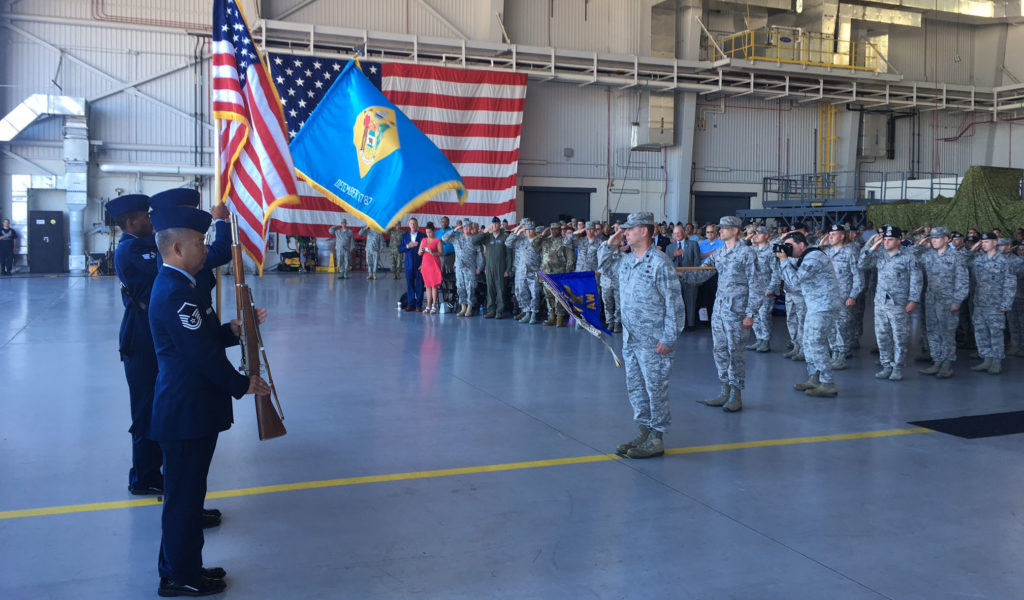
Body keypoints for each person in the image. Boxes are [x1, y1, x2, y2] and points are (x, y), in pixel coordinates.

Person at [148, 205, 271, 597]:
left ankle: (181, 566)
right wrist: (242, 384)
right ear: (178, 248)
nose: (206, 249)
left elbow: (202, 340)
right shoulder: (175, 293)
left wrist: (233, 330)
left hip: (192, 409)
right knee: (183, 502)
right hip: (185, 411)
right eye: (200, 243)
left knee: (188, 495)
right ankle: (181, 576)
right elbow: (200, 357)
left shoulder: (184, 287)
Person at [598, 212, 683, 459]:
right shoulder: (625, 261)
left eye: (629, 229)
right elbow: (603, 265)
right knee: (636, 388)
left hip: (653, 341)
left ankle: (656, 437)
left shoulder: (659, 262)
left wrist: (668, 338)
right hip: (631, 340)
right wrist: (611, 242)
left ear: (644, 231)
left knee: (655, 388)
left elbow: (674, 303)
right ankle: (644, 431)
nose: (624, 232)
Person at [107, 194, 164, 496]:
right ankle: (143, 477)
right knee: (145, 410)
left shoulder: (147, 245)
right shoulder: (131, 250)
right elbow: (162, 276)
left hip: (151, 335)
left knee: (158, 405)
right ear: (131, 223)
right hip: (140, 340)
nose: (150, 219)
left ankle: (154, 469)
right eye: (145, 216)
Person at [681, 216, 759, 413]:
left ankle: (736, 394)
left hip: (737, 311)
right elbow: (703, 272)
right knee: (720, 350)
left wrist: (750, 313)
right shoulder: (720, 253)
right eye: (719, 228)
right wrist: (679, 274)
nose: (719, 231)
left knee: (736, 352)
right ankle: (724, 390)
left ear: (734, 230)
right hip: (720, 309)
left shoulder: (747, 253)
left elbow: (757, 286)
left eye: (723, 228)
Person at [778, 232, 843, 397]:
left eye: (789, 245)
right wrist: (784, 259)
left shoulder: (814, 257)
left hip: (824, 305)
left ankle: (828, 383)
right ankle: (815, 377)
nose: (787, 249)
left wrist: (784, 260)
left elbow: (794, 280)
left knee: (816, 342)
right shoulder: (804, 257)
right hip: (815, 305)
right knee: (808, 342)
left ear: (801, 245)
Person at [858, 226, 923, 381]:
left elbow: (916, 280)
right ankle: (886, 365)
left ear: (899, 240)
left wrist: (913, 300)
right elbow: (862, 263)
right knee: (882, 336)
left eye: (890, 239)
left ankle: (898, 367)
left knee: (900, 337)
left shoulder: (909, 257)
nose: (886, 242)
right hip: (881, 302)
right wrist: (872, 246)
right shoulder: (879, 255)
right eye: (885, 240)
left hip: (899, 303)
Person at [912, 227, 970, 378]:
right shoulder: (928, 255)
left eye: (937, 238)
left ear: (946, 239)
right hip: (931, 300)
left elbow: (963, 281)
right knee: (932, 331)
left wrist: (957, 301)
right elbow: (911, 255)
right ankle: (937, 361)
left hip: (948, 301)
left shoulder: (956, 257)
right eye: (932, 238)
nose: (934, 240)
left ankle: (946, 365)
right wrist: (921, 243)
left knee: (947, 333)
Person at [965, 232, 1017, 374]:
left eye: (987, 241)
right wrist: (972, 249)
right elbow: (962, 262)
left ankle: (996, 361)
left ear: (995, 243)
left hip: (995, 304)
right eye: (982, 241)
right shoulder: (978, 260)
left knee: (995, 333)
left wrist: (1006, 304)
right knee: (981, 332)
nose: (984, 244)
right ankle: (986, 359)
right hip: (980, 303)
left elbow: (1010, 283)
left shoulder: (1004, 261)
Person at [823, 224, 864, 370]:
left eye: (834, 234)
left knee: (842, 327)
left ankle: (841, 356)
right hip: (829, 297)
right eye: (829, 234)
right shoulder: (827, 252)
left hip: (844, 297)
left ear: (842, 236)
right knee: (831, 327)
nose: (831, 236)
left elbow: (858, 276)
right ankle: (834, 353)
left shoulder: (850, 252)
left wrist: (853, 295)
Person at [533, 223, 576, 326]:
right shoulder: (545, 241)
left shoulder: (564, 241)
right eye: (552, 229)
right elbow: (534, 245)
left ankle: (559, 318)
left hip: (559, 274)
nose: (553, 231)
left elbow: (571, 259)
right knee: (548, 296)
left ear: (560, 230)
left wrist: (568, 274)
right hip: (546, 273)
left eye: (556, 229)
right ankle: (552, 316)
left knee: (559, 297)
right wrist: (542, 234)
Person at [747, 226, 781, 352]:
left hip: (765, 289)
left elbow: (776, 272)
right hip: (753, 289)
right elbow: (739, 246)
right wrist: (750, 236)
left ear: (766, 236)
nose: (757, 235)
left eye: (760, 234)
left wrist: (771, 288)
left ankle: (765, 340)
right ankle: (759, 339)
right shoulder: (753, 250)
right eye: (756, 233)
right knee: (754, 315)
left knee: (764, 315)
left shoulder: (771, 251)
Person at [471, 218, 513, 319]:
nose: (494, 226)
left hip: (501, 267)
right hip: (489, 267)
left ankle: (500, 311)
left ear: (500, 225)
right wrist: (485, 231)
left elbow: (509, 255)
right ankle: (491, 310)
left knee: (500, 289)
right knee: (490, 290)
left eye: (496, 224)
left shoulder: (504, 237)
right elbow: (474, 241)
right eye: (492, 224)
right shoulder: (488, 237)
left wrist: (507, 269)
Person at [505, 221, 543, 324]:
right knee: (522, 292)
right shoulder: (521, 241)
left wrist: (541, 273)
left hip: (534, 271)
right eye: (527, 229)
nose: (529, 231)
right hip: (522, 271)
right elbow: (508, 243)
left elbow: (543, 258)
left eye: (531, 229)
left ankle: (534, 314)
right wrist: (518, 231)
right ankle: (527, 313)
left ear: (534, 230)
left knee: (535, 294)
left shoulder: (539, 241)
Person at [443, 222, 481, 317]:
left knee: (470, 287)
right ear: (462, 228)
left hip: (470, 267)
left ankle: (469, 308)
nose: (466, 229)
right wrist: (454, 230)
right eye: (464, 227)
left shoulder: (474, 239)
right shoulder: (457, 238)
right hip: (459, 268)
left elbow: (480, 255)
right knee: (460, 287)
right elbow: (444, 239)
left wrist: (479, 267)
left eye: (468, 227)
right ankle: (463, 307)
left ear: (471, 228)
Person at [669, 224, 701, 332]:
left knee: (690, 301)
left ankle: (691, 324)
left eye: (679, 232)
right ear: (673, 235)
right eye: (675, 233)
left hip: (690, 277)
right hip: (675, 279)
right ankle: (679, 325)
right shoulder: (670, 247)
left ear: (684, 233)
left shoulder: (693, 244)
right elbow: (666, 263)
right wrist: (674, 255)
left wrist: (696, 279)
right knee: (677, 303)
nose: (677, 235)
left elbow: (697, 262)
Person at [398, 218, 425, 311]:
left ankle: (418, 305)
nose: (413, 225)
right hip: (409, 263)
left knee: (420, 284)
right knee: (409, 284)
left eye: (414, 223)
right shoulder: (405, 236)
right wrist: (407, 246)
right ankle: (410, 304)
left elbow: (426, 252)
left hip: (419, 263)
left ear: (417, 225)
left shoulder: (422, 236)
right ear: (409, 225)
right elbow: (400, 249)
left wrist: (423, 263)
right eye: (411, 223)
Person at [418, 222, 443, 313]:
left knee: (434, 286)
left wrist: (433, 253)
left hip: (434, 264)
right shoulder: (423, 240)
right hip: (425, 265)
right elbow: (419, 253)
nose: (428, 234)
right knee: (427, 286)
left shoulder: (437, 240)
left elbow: (441, 253)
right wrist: (421, 251)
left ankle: (434, 305)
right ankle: (428, 305)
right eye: (427, 232)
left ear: (434, 231)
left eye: (430, 232)